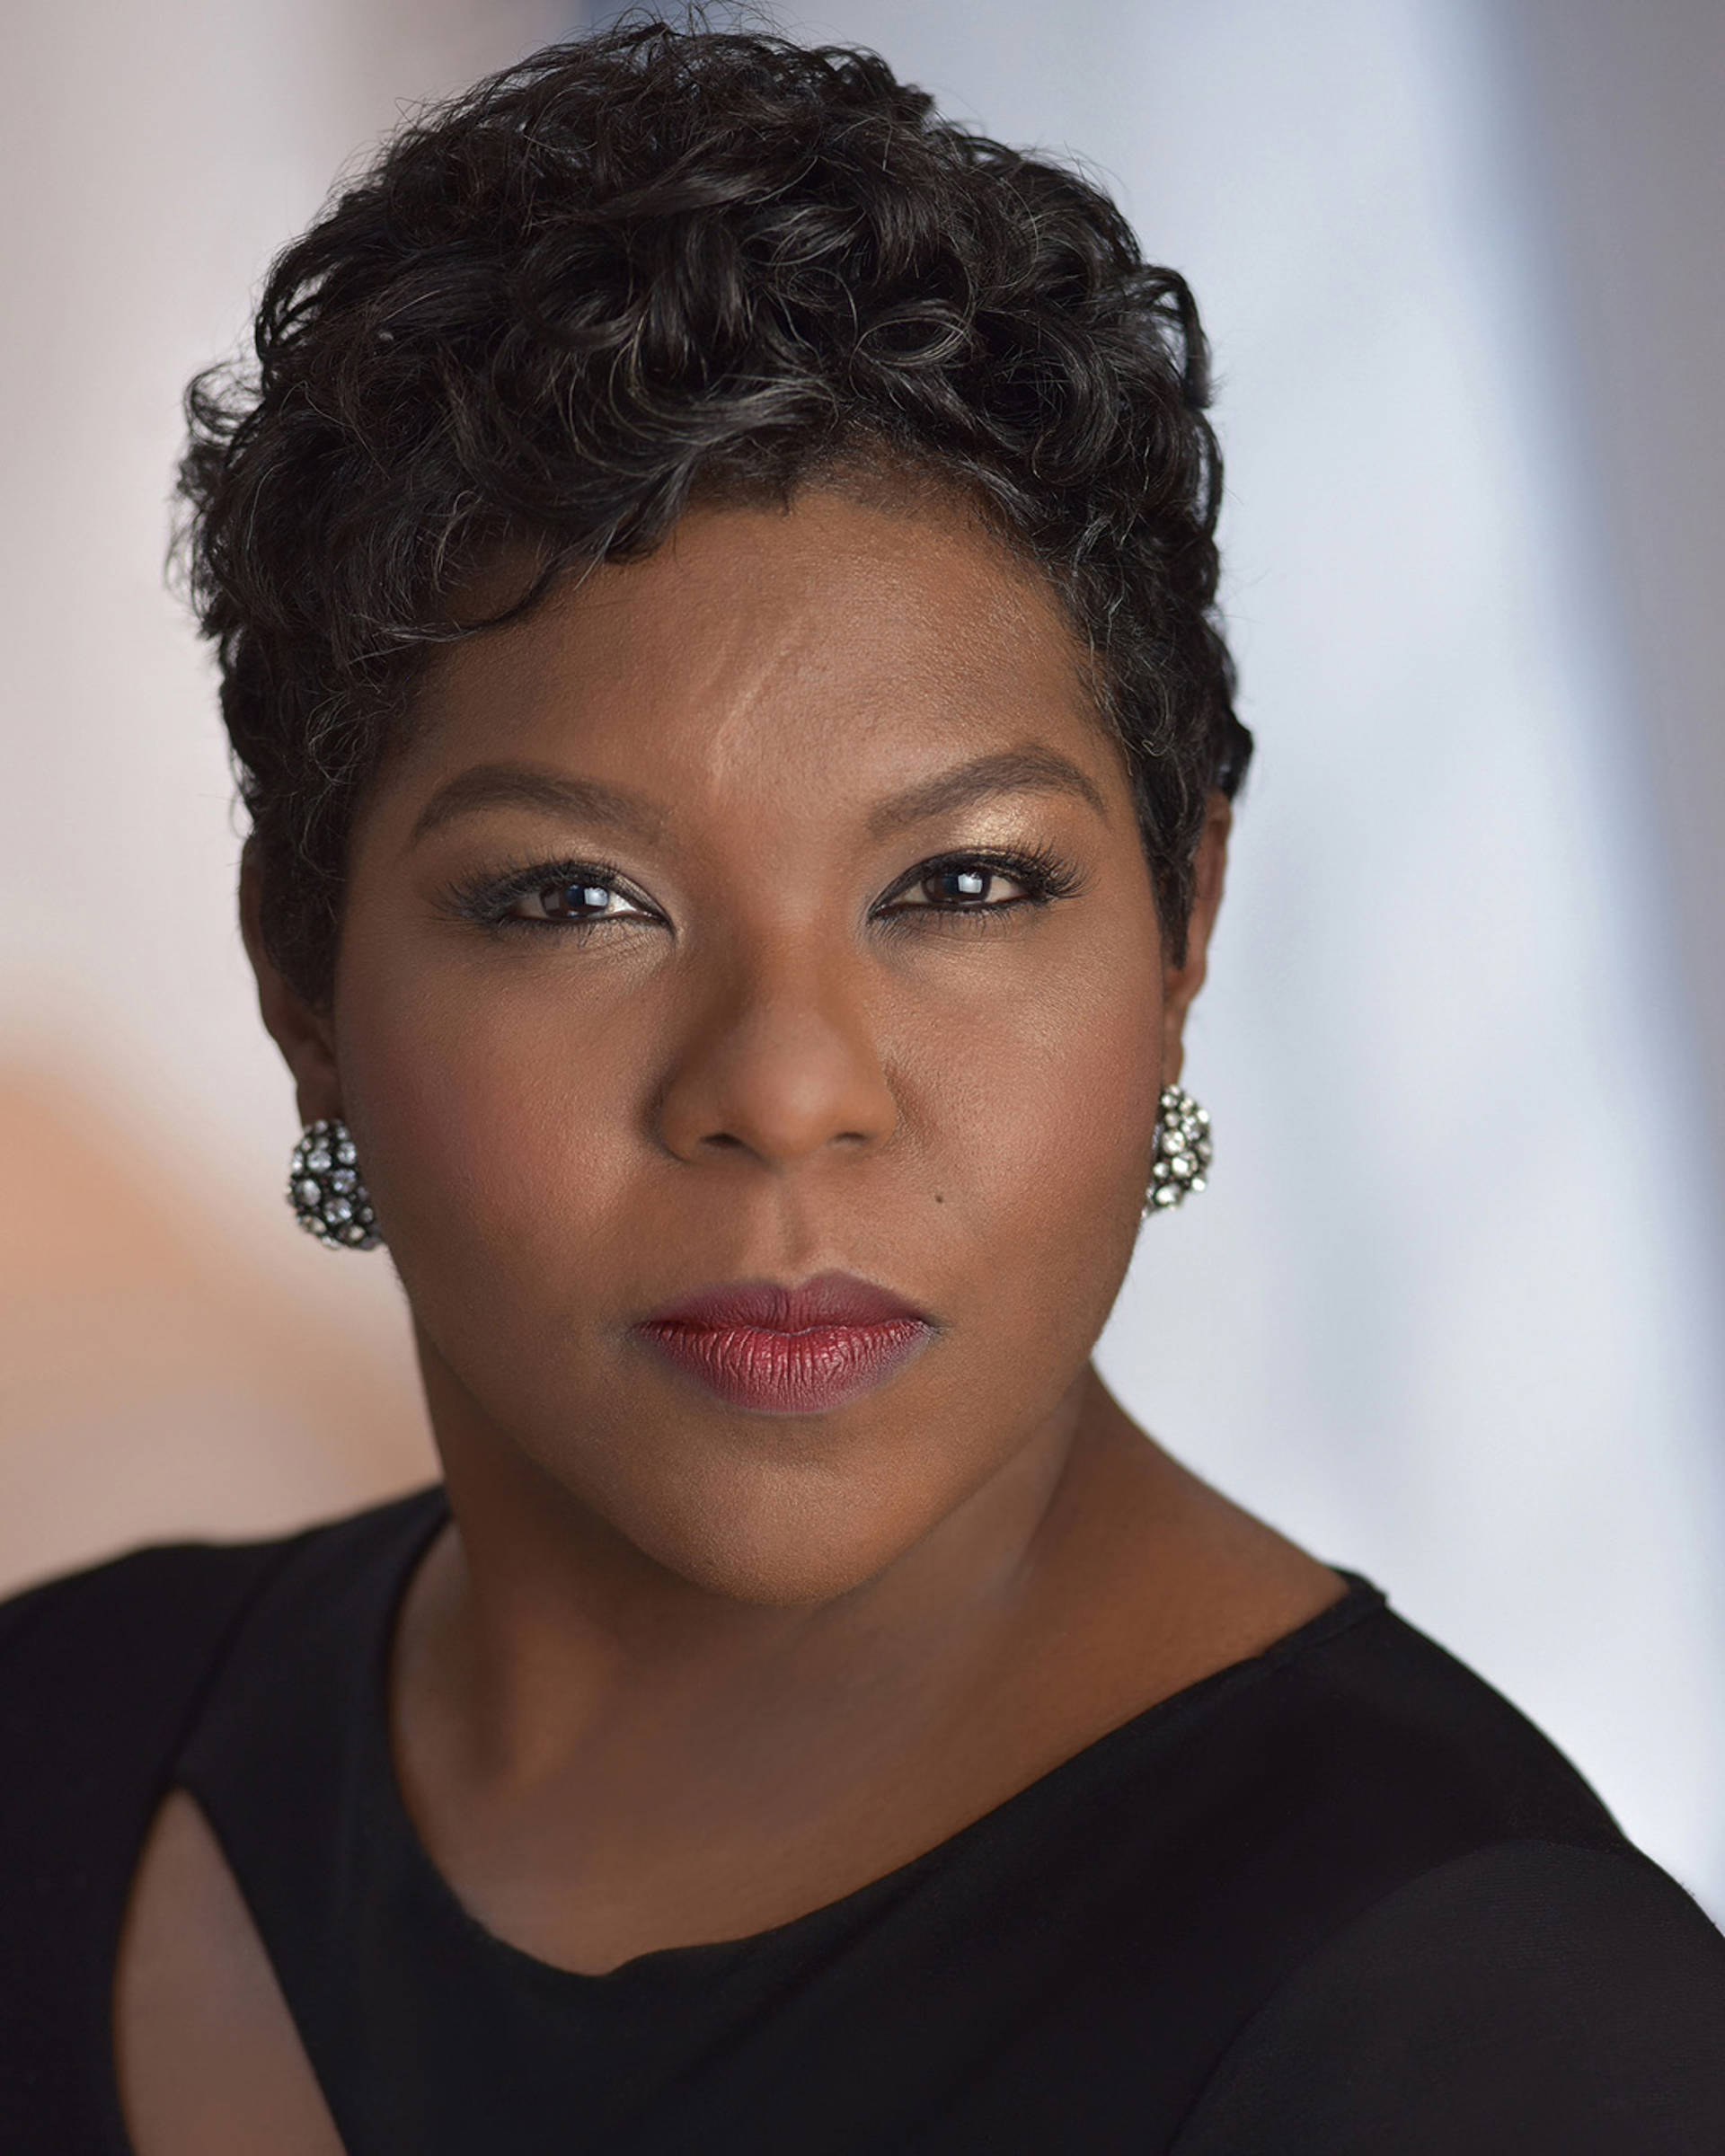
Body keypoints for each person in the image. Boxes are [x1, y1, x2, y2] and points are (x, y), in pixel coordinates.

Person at [3, 22, 1722, 2152]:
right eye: (574, 897)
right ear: (305, 978)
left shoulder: (1500, 2041)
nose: (789, 1090)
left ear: (1184, 936)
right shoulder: (48, 1743)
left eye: (963, 882)